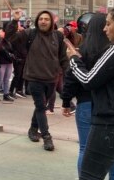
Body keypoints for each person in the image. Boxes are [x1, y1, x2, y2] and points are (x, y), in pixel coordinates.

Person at [54, 6, 114, 180]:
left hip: (109, 121)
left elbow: (89, 79)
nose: (105, 28)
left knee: (89, 178)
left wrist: (73, 59)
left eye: (109, 23)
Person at [61, 13, 114, 180]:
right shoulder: (109, 50)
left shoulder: (88, 50)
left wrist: (66, 101)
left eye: (109, 24)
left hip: (87, 103)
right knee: (112, 149)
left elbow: (78, 79)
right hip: (108, 107)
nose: (105, 28)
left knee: (85, 147)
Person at [6, 9, 68, 151]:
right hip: (34, 77)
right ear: (37, 21)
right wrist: (15, 20)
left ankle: (33, 129)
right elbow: (10, 37)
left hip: (52, 78)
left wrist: (69, 74)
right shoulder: (30, 33)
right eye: (41, 19)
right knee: (41, 107)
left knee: (42, 105)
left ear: (51, 21)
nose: (43, 21)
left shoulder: (58, 36)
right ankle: (46, 137)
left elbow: (63, 58)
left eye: (46, 19)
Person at [0, 28, 15, 102]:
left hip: (9, 62)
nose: (3, 32)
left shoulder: (6, 40)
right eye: (1, 31)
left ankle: (6, 94)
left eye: (3, 31)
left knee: (7, 79)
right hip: (1, 62)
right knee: (0, 79)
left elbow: (11, 49)